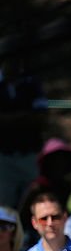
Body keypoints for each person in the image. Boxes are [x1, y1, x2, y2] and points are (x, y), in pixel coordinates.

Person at [0, 58, 47, 208]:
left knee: (34, 202)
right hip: (4, 157)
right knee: (6, 206)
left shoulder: (32, 83)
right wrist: (24, 115)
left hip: (29, 155)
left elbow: (41, 117)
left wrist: (7, 118)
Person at [19, 138, 71, 246]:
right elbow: (23, 214)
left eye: (62, 160)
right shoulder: (37, 187)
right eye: (55, 161)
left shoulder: (65, 186)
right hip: (35, 232)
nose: (59, 164)